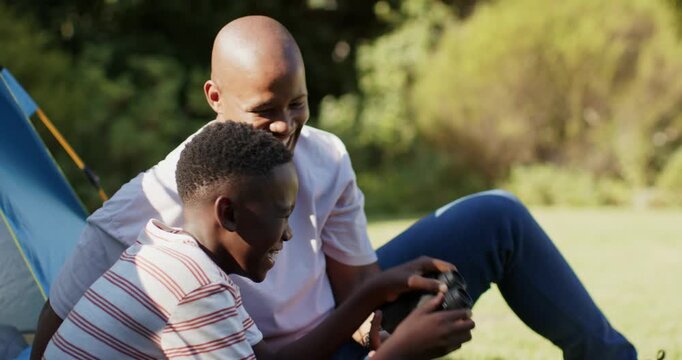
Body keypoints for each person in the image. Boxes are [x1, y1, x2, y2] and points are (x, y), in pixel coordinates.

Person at [33, 15, 636, 359]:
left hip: (326, 339)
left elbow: (359, 290)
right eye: (264, 109)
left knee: (495, 216)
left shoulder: (323, 153)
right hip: (255, 355)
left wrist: (386, 321)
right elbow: (56, 337)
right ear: (215, 98)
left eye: (298, 104)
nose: (286, 127)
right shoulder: (147, 213)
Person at [43, 121, 474, 359]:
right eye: (282, 216)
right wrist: (399, 353)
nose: (288, 233)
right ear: (228, 213)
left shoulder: (167, 251)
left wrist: (372, 293)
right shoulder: (196, 290)